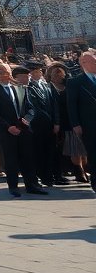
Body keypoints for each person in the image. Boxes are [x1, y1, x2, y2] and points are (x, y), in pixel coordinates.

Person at [0, 64, 45, 197]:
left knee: (28, 158)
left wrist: (25, 122)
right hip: (7, 131)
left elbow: (30, 108)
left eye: (3, 71)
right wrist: (8, 127)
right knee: (11, 159)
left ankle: (32, 185)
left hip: (23, 130)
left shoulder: (20, 87)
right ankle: (13, 186)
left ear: (9, 72)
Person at [26, 61, 66, 186]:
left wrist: (56, 122)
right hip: (38, 126)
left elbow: (54, 105)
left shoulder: (48, 86)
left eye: (38, 71)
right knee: (40, 152)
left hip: (51, 126)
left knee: (53, 151)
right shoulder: (28, 87)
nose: (37, 73)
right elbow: (34, 107)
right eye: (34, 71)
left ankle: (57, 175)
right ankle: (45, 177)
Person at [66, 51, 96, 194]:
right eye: (93, 61)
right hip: (89, 125)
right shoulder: (75, 82)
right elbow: (71, 105)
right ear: (83, 64)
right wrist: (76, 124)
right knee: (94, 154)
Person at [52, 63, 85, 183]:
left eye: (61, 74)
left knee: (82, 148)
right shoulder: (50, 87)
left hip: (75, 120)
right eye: (55, 74)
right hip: (63, 122)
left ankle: (83, 169)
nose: (58, 76)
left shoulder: (69, 85)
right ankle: (79, 172)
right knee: (74, 148)